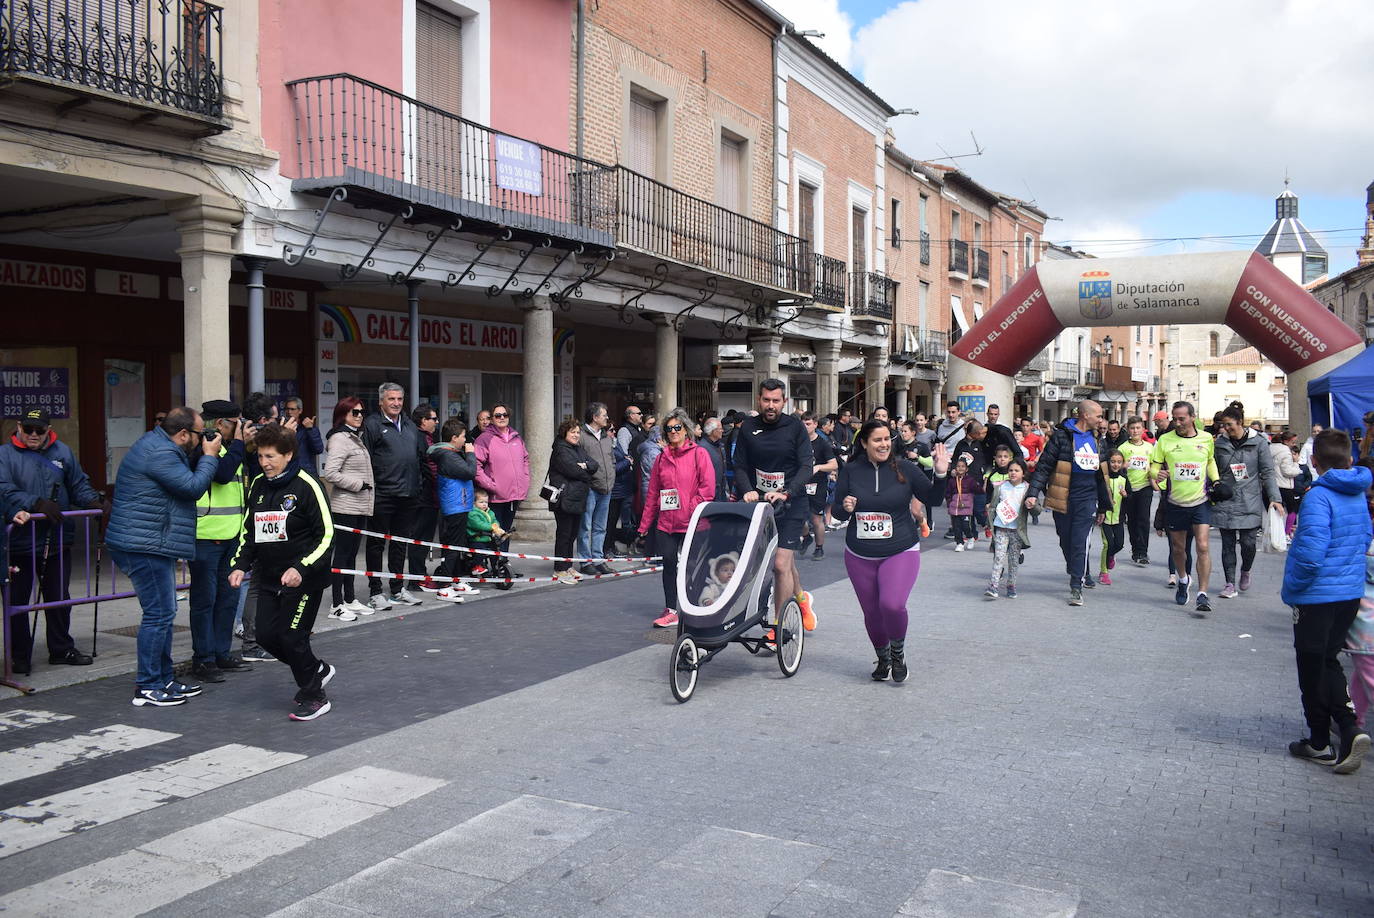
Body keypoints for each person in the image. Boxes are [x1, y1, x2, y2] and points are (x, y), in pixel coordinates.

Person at [106, 406, 219, 707]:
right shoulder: (160, 453)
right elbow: (193, 487)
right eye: (198, 433)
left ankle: (163, 678)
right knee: (159, 614)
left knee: (164, 614)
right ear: (183, 434)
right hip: (142, 544)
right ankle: (147, 685)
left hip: (150, 541)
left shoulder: (160, 445)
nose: (201, 438)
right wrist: (209, 456)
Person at [228, 423, 337, 722]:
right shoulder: (258, 485)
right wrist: (240, 565)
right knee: (264, 635)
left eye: (271, 456)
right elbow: (249, 532)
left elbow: (326, 535)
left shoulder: (308, 484)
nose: (264, 462)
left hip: (305, 578)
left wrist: (301, 567)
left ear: (288, 454)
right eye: (261, 456)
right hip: (269, 576)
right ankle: (315, 670)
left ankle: (314, 695)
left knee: (292, 637)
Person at [1282, 430, 1372, 773]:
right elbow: (1364, 538)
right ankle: (1342, 729)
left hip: (1317, 595)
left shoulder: (1319, 496)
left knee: (1310, 665)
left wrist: (1297, 587)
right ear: (1349, 460)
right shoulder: (1357, 493)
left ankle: (1327, 737)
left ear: (1314, 461)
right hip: (1348, 592)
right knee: (1327, 660)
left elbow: (1310, 554)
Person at [831, 421, 950, 682]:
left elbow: (932, 498)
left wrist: (941, 474)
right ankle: (883, 657)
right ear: (864, 443)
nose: (884, 444)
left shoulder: (905, 468)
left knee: (892, 605)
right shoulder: (851, 470)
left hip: (900, 549)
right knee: (872, 613)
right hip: (859, 554)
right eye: (877, 440)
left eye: (887, 439)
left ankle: (898, 654)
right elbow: (837, 511)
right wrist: (846, 507)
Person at [0, 407, 102, 674]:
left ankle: (61, 648)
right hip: (19, 541)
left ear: (48, 430)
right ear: (19, 427)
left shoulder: (63, 452)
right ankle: (18, 655)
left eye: (40, 430)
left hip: (55, 539)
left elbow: (78, 483)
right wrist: (35, 503)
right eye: (28, 429)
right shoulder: (5, 454)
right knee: (18, 601)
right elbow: (4, 489)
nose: (34, 435)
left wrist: (93, 501)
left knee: (58, 597)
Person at [732, 379, 816, 630]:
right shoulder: (748, 427)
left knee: (780, 564)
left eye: (776, 401)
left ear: (784, 402)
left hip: (791, 502)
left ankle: (778, 626)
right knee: (785, 561)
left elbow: (806, 466)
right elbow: (739, 465)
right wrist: (747, 490)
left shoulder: (795, 428)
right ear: (759, 400)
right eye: (766, 400)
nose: (771, 405)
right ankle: (801, 598)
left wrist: (787, 493)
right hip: (761, 504)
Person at [188, 400, 252, 683]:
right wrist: (239, 444)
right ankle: (203, 659)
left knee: (228, 598)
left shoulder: (229, 448)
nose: (240, 428)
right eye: (235, 423)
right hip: (206, 536)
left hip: (231, 536)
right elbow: (223, 475)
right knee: (205, 600)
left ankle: (221, 653)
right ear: (219, 424)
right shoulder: (205, 445)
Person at [1025, 399, 1107, 606]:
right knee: (1066, 539)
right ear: (1085, 415)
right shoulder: (1061, 436)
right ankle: (1074, 568)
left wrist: (1105, 505)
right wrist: (1033, 492)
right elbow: (1044, 467)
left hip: (1087, 498)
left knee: (1080, 541)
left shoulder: (1099, 439)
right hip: (1062, 496)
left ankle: (1076, 585)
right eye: (1098, 416)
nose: (1101, 420)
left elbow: (1103, 476)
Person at [638, 407, 715, 626]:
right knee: (669, 563)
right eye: (669, 429)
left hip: (693, 522)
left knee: (694, 566)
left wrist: (690, 509)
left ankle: (696, 607)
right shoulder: (661, 458)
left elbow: (707, 489)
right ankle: (672, 608)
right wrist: (644, 525)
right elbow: (653, 493)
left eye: (677, 427)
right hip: (666, 523)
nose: (673, 432)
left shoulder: (699, 453)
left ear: (686, 429)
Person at [1150, 401, 1221, 614]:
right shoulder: (1165, 440)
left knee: (1203, 546)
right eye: (1175, 418)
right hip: (1175, 502)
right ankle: (1183, 578)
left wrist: (1216, 481)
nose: (1178, 422)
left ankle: (1203, 594)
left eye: (1182, 418)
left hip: (1200, 501)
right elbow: (1153, 466)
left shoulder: (1206, 438)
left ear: (1192, 417)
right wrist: (1157, 474)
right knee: (1179, 549)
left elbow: (1210, 461)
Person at [361, 383, 424, 610]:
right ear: (381, 402)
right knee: (376, 543)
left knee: (399, 544)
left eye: (399, 399)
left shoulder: (409, 425)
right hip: (383, 495)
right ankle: (376, 591)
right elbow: (365, 460)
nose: (396, 403)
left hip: (408, 495)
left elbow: (419, 457)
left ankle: (397, 589)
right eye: (391, 399)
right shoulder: (372, 424)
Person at [1213, 406, 1283, 599]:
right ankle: (1229, 583)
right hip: (1225, 499)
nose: (1226, 429)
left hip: (1249, 500)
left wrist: (1275, 499)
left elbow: (1268, 472)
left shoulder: (1259, 443)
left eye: (1229, 425)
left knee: (1248, 543)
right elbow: (1212, 469)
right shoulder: (1220, 443)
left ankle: (1246, 569)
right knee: (1227, 544)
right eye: (1223, 425)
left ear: (1240, 423)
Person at [321, 397, 374, 621]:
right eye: (355, 412)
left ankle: (350, 598)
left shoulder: (354, 437)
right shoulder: (340, 438)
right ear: (343, 414)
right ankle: (336, 604)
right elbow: (331, 473)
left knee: (351, 554)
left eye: (362, 412)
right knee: (341, 555)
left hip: (360, 505)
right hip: (345, 506)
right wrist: (358, 484)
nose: (360, 415)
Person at [428, 418, 478, 601]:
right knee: (452, 546)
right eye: (463, 436)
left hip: (460, 504)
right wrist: (471, 454)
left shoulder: (452, 453)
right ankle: (444, 585)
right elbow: (470, 472)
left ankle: (456, 580)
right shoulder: (448, 456)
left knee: (458, 545)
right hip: (454, 506)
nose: (466, 440)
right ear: (454, 437)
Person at [548, 419, 598, 585]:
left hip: (576, 498)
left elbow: (594, 464)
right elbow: (573, 470)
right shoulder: (561, 449)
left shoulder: (577, 448)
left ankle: (568, 565)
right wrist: (584, 470)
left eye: (578, 432)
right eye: (573, 432)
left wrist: (584, 466)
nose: (576, 435)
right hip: (564, 498)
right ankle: (559, 569)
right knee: (564, 534)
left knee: (572, 535)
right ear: (565, 434)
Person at [473, 403, 530, 545]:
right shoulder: (484, 439)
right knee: (495, 532)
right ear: (492, 419)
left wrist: (525, 480)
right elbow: (476, 466)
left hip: (513, 495)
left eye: (505, 415)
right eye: (498, 415)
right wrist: (491, 485)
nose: (502, 417)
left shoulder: (516, 437)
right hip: (495, 497)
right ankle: (496, 563)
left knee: (506, 532)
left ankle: (503, 562)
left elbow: (525, 460)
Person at [1344, 466, 1374, 731]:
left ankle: (1356, 719)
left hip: (1366, 626)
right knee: (1362, 676)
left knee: (1367, 676)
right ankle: (1355, 720)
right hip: (1364, 626)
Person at [577, 403, 616, 577]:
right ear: (594, 417)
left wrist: (612, 476)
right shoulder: (581, 436)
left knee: (601, 526)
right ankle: (585, 561)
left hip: (606, 487)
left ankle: (598, 559)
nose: (607, 418)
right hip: (590, 487)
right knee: (585, 526)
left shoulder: (607, 437)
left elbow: (612, 459)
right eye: (604, 415)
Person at [406, 403, 441, 591]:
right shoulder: (420, 439)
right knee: (419, 538)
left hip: (429, 496)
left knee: (423, 539)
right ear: (423, 421)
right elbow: (429, 467)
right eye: (433, 418)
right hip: (424, 497)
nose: (436, 422)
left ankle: (419, 574)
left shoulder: (427, 438)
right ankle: (416, 578)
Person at [985, 457, 1031, 599]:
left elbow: (1037, 509)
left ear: (1023, 473)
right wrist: (989, 520)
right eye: (1011, 470)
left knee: (1013, 559)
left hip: (1017, 529)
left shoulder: (1027, 488)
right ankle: (993, 586)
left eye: (1017, 470)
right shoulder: (1001, 486)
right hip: (1001, 527)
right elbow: (993, 505)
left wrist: (1032, 505)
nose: (1013, 473)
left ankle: (1011, 584)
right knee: (998, 557)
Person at [800, 412, 838, 560]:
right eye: (803, 424)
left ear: (815, 424)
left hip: (818, 485)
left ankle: (819, 548)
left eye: (808, 424)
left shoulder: (823, 444)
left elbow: (833, 464)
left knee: (816, 519)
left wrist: (818, 467)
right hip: (800, 484)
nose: (805, 427)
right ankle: (806, 537)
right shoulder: (798, 442)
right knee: (798, 517)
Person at [1118, 417, 1156, 566]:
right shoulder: (1123, 448)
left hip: (1145, 486)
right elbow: (1116, 466)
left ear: (1143, 429)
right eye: (1132, 428)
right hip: (1129, 488)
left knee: (1144, 520)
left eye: (1138, 428)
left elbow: (1154, 464)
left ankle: (1143, 552)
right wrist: (1123, 466)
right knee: (1132, 521)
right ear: (1128, 430)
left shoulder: (1149, 447)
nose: (1135, 431)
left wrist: (1153, 474)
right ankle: (1135, 550)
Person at [1097, 449, 1127, 585]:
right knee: (1107, 544)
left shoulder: (1124, 479)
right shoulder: (1104, 479)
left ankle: (1110, 555)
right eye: (1113, 462)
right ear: (1108, 462)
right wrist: (1101, 510)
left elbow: (1130, 496)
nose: (1116, 465)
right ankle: (1104, 572)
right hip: (1106, 518)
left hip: (1119, 517)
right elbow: (1099, 496)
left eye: (1119, 462)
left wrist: (1126, 495)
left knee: (1119, 544)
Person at [466, 489, 507, 576]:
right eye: (481, 502)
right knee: (480, 552)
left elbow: (495, 521)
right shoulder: (472, 513)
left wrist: (496, 527)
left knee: (495, 551)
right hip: (476, 539)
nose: (484, 504)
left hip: (488, 538)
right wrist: (492, 527)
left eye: (486, 502)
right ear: (474, 503)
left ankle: (495, 567)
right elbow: (478, 524)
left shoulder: (490, 512)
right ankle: (476, 566)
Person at [1270, 430, 1302, 537]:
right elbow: (1287, 471)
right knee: (1292, 509)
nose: (1294, 445)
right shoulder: (1285, 452)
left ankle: (1274, 533)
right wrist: (1296, 465)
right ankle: (1286, 533)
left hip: (1272, 484)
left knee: (1274, 511)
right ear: (1287, 441)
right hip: (1284, 484)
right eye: (1293, 442)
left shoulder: (1270, 448)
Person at [284, 397, 324, 473]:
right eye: (287, 409)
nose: (289, 412)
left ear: (300, 410)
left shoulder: (307, 428)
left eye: (292, 409)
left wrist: (310, 430)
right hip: (287, 470)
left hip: (305, 471)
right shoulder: (281, 427)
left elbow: (318, 449)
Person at [945, 460, 975, 550]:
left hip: (966, 508)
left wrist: (968, 502)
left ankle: (970, 537)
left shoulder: (970, 480)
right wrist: (950, 502)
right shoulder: (952, 481)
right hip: (955, 508)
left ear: (966, 469)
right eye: (958, 466)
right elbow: (947, 493)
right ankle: (959, 543)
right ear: (955, 468)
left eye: (963, 466)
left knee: (966, 526)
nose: (960, 468)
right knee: (956, 527)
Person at [701, 417, 728, 502]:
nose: (722, 431)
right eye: (720, 428)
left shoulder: (720, 445)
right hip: (711, 495)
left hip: (721, 492)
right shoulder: (702, 448)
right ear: (713, 431)